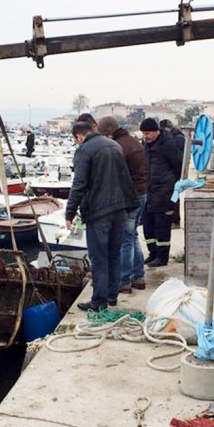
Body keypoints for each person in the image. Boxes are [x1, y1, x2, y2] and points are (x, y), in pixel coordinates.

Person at [66, 121, 139, 311]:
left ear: (78, 137)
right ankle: (112, 296)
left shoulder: (85, 150)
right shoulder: (114, 145)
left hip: (99, 212)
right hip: (120, 209)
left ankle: (99, 300)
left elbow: (79, 184)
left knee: (98, 257)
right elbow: (125, 178)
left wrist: (70, 212)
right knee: (114, 254)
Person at [97, 116, 148, 292]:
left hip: (129, 196)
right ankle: (139, 276)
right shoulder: (134, 142)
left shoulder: (118, 147)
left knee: (126, 239)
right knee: (133, 236)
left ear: (108, 133)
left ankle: (124, 280)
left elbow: (116, 176)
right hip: (142, 193)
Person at [140, 117, 183, 267]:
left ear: (156, 131)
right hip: (151, 191)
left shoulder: (168, 145)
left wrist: (171, 185)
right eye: (144, 134)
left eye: (148, 133)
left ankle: (162, 257)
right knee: (148, 225)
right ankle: (153, 253)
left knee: (162, 227)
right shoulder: (147, 145)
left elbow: (178, 165)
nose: (146, 136)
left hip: (164, 192)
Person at [159, 119, 186, 226]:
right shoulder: (177, 137)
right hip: (172, 171)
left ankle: (175, 220)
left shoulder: (177, 139)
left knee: (174, 196)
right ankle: (174, 219)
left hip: (174, 171)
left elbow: (175, 157)